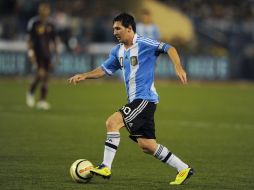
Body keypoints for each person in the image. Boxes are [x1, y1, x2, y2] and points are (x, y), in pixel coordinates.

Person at [68, 13, 193, 185]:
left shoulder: (144, 43)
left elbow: (169, 48)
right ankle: (183, 168)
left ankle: (105, 166)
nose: (114, 32)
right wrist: (85, 75)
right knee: (147, 145)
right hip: (138, 101)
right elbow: (104, 69)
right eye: (113, 29)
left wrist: (178, 67)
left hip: (145, 99)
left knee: (112, 123)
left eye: (118, 28)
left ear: (129, 28)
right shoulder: (117, 50)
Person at [26, 2, 58, 110]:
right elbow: (30, 40)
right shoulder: (34, 23)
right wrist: (31, 54)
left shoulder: (51, 24)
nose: (45, 11)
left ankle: (42, 101)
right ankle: (30, 92)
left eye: (46, 9)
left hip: (47, 54)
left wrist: (57, 55)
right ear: (39, 11)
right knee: (40, 74)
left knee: (45, 78)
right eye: (43, 9)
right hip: (37, 53)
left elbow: (54, 41)